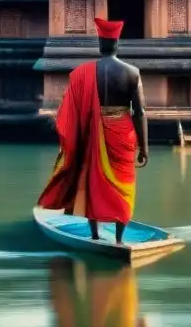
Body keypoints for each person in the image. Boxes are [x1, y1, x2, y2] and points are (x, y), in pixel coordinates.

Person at [37, 17, 149, 244]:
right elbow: (140, 112)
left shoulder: (83, 73)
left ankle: (95, 236)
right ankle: (119, 239)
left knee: (92, 182)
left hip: (93, 133)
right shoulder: (132, 73)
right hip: (122, 132)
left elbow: (70, 109)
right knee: (124, 184)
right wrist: (144, 146)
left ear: (101, 44)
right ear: (117, 44)